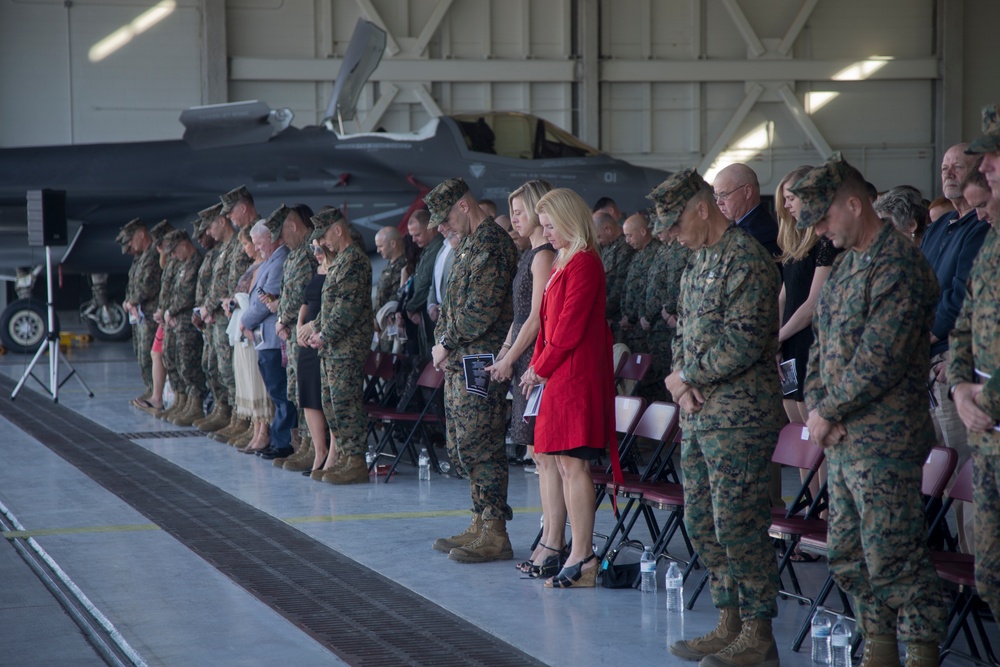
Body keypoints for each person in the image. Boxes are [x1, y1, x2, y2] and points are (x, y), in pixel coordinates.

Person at [796, 154, 946, 667]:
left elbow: (881, 355)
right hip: (842, 438)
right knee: (847, 552)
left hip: (885, 439)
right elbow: (821, 347)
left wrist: (827, 410)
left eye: (823, 218)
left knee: (893, 553)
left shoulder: (899, 264)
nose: (819, 230)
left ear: (854, 205)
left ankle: (922, 649)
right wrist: (819, 407)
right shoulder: (844, 267)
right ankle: (878, 645)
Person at [656, 168, 784, 667]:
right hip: (700, 415)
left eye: (674, 222)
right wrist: (680, 380)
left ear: (701, 208)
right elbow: (683, 332)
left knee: (739, 523)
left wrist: (688, 376)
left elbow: (746, 339)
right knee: (703, 522)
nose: (669, 233)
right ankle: (728, 621)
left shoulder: (746, 258)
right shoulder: (698, 261)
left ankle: (757, 633)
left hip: (740, 416)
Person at [519, 187, 615, 589]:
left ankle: (583, 554)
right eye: (543, 226)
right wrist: (538, 369)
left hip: (575, 377)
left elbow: (569, 328)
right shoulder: (562, 261)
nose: (547, 233)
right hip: (557, 376)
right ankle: (568, 549)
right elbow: (546, 324)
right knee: (559, 463)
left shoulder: (584, 264)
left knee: (575, 465)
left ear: (569, 221)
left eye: (551, 225)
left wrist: (537, 368)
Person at [427, 177, 517, 563]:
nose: (441, 227)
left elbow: (481, 308)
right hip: (461, 360)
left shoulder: (492, 243)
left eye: (444, 218)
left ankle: (495, 530)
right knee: (464, 443)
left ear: (464, 205)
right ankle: (480, 519)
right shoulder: (467, 246)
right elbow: (450, 306)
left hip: (480, 360)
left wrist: (445, 343)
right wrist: (443, 341)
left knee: (482, 442)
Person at [920, 144, 990, 555]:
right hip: (928, 362)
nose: (948, 173)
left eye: (957, 167)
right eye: (944, 167)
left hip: (950, 360)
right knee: (940, 470)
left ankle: (973, 568)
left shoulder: (981, 227)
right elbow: (923, 287)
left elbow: (960, 295)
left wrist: (927, 335)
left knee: (965, 468)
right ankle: (956, 559)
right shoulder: (942, 224)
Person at [486, 180, 558, 576]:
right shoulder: (528, 253)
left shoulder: (544, 255)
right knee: (536, 454)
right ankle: (547, 533)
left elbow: (537, 318)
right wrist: (503, 355)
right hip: (523, 360)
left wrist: (512, 359)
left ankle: (553, 536)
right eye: (510, 211)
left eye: (519, 210)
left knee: (545, 454)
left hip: (537, 361)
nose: (514, 217)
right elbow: (518, 318)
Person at [951, 104, 1000, 625]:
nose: (984, 169)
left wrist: (985, 398)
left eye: (994, 160)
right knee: (991, 575)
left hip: (989, 412)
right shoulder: (991, 246)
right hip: (988, 435)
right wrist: (963, 387)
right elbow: (965, 322)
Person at [775, 165, 837, 532]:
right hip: (789, 340)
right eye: (785, 199)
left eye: (792, 198)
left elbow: (813, 302)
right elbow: (786, 293)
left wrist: (778, 336)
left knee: (815, 429)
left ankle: (828, 513)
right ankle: (811, 506)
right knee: (799, 429)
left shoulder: (825, 241)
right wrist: (775, 337)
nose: (787, 205)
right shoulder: (794, 240)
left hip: (810, 340)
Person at [307, 208, 374, 484]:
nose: (322, 243)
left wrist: (324, 333)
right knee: (332, 403)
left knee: (346, 403)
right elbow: (329, 305)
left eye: (323, 236)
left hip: (347, 347)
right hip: (333, 347)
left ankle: (356, 461)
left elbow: (347, 308)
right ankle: (345, 457)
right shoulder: (340, 261)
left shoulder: (354, 261)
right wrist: (315, 328)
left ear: (337, 229)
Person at [241, 213, 294, 460]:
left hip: (273, 339)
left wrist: (244, 321)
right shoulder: (271, 259)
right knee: (276, 393)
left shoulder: (279, 260)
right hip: (265, 338)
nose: (257, 247)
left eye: (259, 242)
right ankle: (279, 440)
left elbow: (266, 300)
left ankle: (282, 443)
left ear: (270, 238)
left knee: (280, 393)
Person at [273, 203, 318, 471]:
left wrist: (283, 320)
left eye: (283, 231)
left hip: (302, 332)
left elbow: (302, 294)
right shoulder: (295, 254)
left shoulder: (306, 255)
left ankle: (312, 446)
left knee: (306, 392)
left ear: (292, 226)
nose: (281, 238)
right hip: (293, 332)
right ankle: (303, 445)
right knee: (296, 391)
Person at [225, 228, 274, 451]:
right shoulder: (253, 266)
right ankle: (256, 430)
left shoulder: (265, 265)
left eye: (249, 243)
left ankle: (263, 432)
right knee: (247, 384)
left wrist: (245, 316)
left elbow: (260, 300)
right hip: (244, 330)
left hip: (254, 331)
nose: (248, 248)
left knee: (257, 384)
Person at [640, 218, 690, 402]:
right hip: (656, 324)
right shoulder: (664, 250)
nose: (658, 232)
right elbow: (650, 285)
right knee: (659, 382)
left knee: (669, 384)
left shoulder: (682, 249)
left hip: (669, 322)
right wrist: (643, 315)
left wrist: (669, 309)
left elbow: (676, 284)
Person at [160, 229, 206, 426]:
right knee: (174, 360)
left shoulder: (196, 262)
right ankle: (183, 400)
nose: (173, 256)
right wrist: (167, 311)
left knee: (189, 363)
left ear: (184, 244)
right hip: (177, 321)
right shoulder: (182, 264)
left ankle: (195, 405)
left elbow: (187, 294)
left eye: (175, 251)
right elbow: (173, 291)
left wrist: (171, 310)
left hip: (187, 322)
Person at [295, 240, 332, 475]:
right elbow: (306, 301)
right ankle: (320, 450)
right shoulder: (317, 269)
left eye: (320, 249)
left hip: (324, 337)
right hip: (307, 341)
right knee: (308, 395)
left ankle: (332, 453)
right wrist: (300, 325)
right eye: (313, 249)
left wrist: (312, 327)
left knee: (326, 398)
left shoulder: (337, 269)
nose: (316, 253)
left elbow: (331, 307)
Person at [712, 163, 780, 259]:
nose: (718, 202)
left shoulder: (761, 235)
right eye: (716, 196)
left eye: (724, 195)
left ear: (747, 192)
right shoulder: (740, 226)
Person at [403, 210, 443, 356]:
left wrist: (410, 307)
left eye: (417, 235)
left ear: (430, 228)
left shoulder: (436, 248)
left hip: (431, 318)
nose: (413, 240)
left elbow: (424, 285)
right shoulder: (428, 249)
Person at [594, 211, 634, 344]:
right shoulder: (607, 247)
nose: (599, 241)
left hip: (618, 316)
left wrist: (603, 313)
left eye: (599, 236)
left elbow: (620, 284)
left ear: (608, 229)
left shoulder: (625, 248)